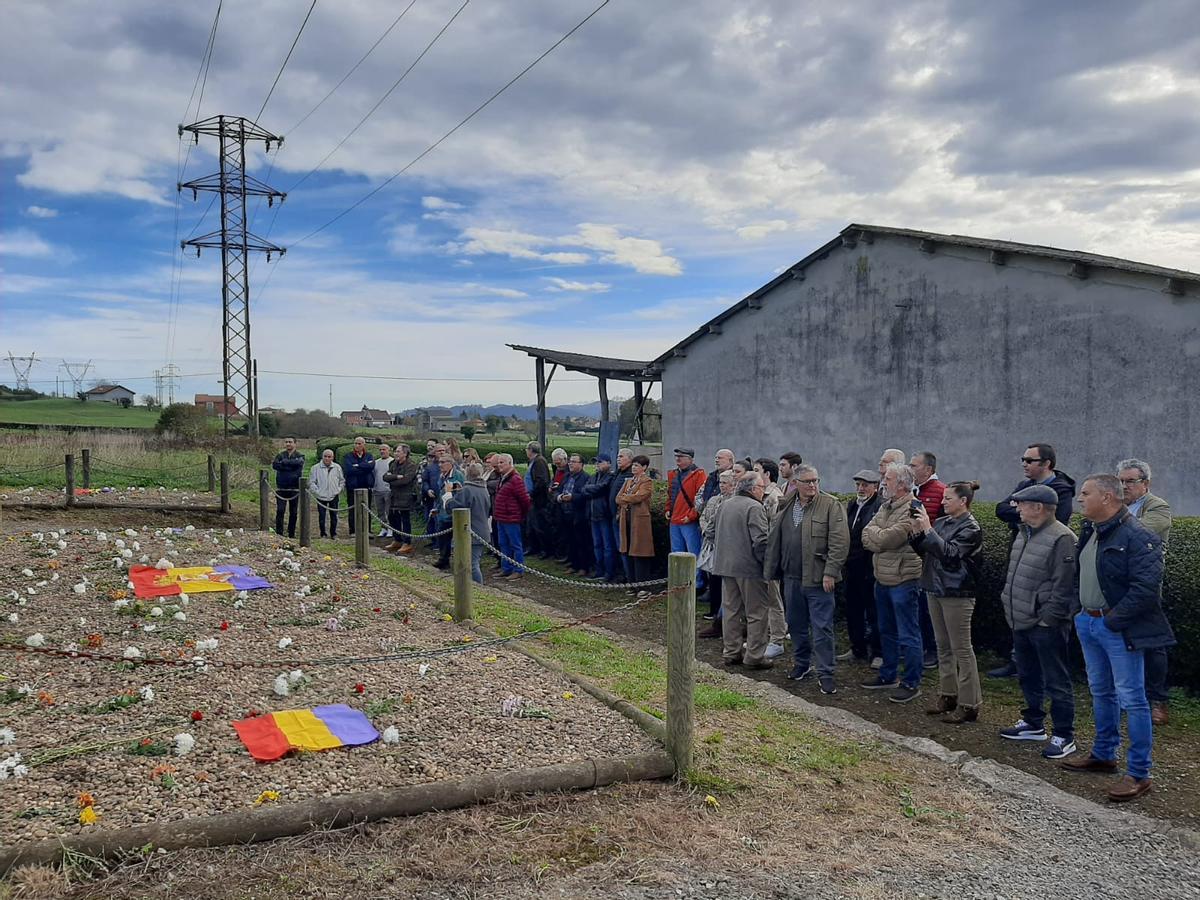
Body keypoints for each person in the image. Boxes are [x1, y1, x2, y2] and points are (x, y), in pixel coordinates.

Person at [1062, 474, 1172, 802]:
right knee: (1101, 691)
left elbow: (1146, 589)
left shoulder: (1138, 535)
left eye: (1085, 493)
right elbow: (1081, 574)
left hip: (1116, 628)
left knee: (1133, 699)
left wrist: (1112, 620)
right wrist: (1080, 613)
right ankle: (1104, 753)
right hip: (1089, 622)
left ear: (1108, 498)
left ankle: (1139, 773)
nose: (1080, 499)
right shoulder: (1090, 530)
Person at [995, 483, 1079, 756]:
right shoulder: (1023, 533)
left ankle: (1064, 735)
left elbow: (1064, 585)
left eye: (1021, 503)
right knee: (1028, 673)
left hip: (1045, 624)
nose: (1015, 507)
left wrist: (1048, 619)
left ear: (1038, 507)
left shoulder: (1061, 537)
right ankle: (1033, 723)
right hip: (1020, 619)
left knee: (1056, 679)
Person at [989, 442, 1077, 678]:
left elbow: (1057, 519)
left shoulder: (1062, 489)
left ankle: (1040, 669)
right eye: (1023, 460)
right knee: (1019, 604)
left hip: (1045, 561)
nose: (1024, 465)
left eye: (1029, 461)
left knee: (1038, 609)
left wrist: (1017, 516)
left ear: (1046, 463)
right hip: (1022, 553)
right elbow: (1000, 509)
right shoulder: (1024, 485)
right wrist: (1020, 516)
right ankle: (1018, 662)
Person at [764, 464, 850, 693]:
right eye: (807, 481)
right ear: (796, 484)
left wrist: (831, 572)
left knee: (822, 628)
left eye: (815, 480)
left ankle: (826, 673)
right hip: (791, 578)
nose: (812, 485)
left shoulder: (831, 505)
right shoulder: (787, 504)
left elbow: (840, 542)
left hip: (818, 579)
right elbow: (776, 540)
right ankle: (802, 664)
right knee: (796, 625)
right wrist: (773, 570)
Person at [910, 481, 985, 724]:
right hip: (935, 588)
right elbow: (926, 550)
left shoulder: (971, 528)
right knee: (943, 646)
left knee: (961, 648)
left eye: (948, 499)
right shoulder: (942, 523)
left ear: (963, 501)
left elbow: (951, 555)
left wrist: (928, 530)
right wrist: (916, 532)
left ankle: (969, 703)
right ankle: (948, 694)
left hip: (957, 593)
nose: (943, 502)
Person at [860, 462, 925, 703]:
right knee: (886, 630)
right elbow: (867, 533)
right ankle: (888, 675)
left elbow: (889, 539)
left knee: (908, 634)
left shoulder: (914, 509)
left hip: (903, 580)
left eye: (887, 478)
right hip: (882, 579)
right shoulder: (886, 505)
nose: (883, 482)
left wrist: (877, 535)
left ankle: (911, 682)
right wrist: (878, 536)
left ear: (901, 484)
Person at [1117, 458, 1174, 725]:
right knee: (1120, 642)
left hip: (1144, 587)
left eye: (1131, 481)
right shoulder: (1115, 506)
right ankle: (1125, 696)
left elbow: (1141, 533)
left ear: (1146, 484)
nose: (1124, 486)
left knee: (1152, 644)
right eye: (1120, 481)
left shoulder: (1158, 507)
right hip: (1116, 585)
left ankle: (1158, 701)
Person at [712, 471, 772, 670]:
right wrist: (767, 565)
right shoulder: (754, 507)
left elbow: (712, 531)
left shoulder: (725, 504)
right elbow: (761, 541)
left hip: (725, 565)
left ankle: (731, 652)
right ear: (754, 489)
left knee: (731, 610)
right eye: (762, 487)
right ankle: (754, 655)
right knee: (757, 612)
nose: (763, 491)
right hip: (749, 567)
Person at [910, 451, 945, 670]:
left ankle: (933, 650)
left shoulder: (940, 491)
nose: (910, 469)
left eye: (914, 466)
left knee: (928, 608)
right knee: (918, 608)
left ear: (928, 470)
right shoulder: (915, 491)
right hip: (914, 555)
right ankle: (922, 646)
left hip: (930, 558)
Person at [845, 470, 884, 666]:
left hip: (870, 569)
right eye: (858, 484)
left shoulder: (879, 506)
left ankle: (877, 652)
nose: (861, 488)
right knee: (853, 610)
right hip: (851, 568)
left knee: (874, 613)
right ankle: (857, 648)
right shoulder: (852, 504)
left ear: (875, 487)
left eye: (865, 485)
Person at [754, 457, 788, 660]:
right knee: (762, 599)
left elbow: (774, 530)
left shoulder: (774, 497)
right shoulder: (759, 494)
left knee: (773, 599)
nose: (754, 473)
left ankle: (777, 639)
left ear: (767, 474)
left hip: (770, 555)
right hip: (760, 555)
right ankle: (766, 636)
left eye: (757, 470)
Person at [698, 470, 736, 631]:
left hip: (725, 545)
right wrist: (706, 529)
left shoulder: (733, 502)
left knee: (723, 581)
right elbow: (704, 516)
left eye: (725, 483)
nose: (721, 486)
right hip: (710, 542)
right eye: (720, 483)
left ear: (733, 485)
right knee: (712, 577)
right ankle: (713, 610)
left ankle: (721, 615)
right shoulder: (714, 499)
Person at [667, 448, 708, 593]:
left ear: (690, 459)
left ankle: (695, 584)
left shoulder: (698, 475)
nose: (678, 459)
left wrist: (691, 516)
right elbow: (670, 494)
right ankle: (678, 581)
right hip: (675, 519)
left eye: (681, 457)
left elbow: (700, 498)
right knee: (676, 552)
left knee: (693, 554)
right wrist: (668, 509)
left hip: (688, 521)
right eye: (676, 456)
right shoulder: (674, 474)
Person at [445, 461, 492, 584]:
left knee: (471, 563)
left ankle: (477, 588)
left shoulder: (467, 490)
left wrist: (448, 494)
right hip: (482, 530)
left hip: (470, 532)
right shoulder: (483, 489)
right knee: (474, 561)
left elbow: (452, 508)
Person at [615, 454, 656, 593]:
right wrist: (627, 498)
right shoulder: (628, 481)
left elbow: (640, 496)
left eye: (637, 465)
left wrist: (626, 498)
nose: (633, 467)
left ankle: (643, 586)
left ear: (644, 467)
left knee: (640, 553)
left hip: (639, 521)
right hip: (626, 520)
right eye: (633, 465)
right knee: (628, 552)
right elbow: (617, 498)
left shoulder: (647, 481)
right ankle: (632, 584)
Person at [493, 454, 531, 578]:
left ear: (510, 463)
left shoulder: (515, 479)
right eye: (499, 462)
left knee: (515, 544)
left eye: (502, 462)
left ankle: (518, 569)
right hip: (501, 517)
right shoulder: (503, 478)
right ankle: (506, 567)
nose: (499, 465)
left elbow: (525, 499)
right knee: (503, 544)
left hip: (511, 517)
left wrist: (519, 513)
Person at [581, 454, 616, 581]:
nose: (597, 465)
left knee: (607, 545)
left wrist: (591, 489)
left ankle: (608, 572)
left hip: (604, 515)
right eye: (597, 462)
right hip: (593, 515)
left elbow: (601, 488)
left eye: (600, 462)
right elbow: (583, 490)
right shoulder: (593, 477)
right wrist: (592, 489)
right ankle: (599, 570)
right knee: (597, 545)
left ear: (608, 463)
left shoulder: (611, 477)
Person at [558, 453, 593, 576]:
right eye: (570, 461)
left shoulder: (586, 478)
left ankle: (583, 567)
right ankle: (573, 564)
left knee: (581, 542)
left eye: (574, 461)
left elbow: (585, 495)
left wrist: (572, 497)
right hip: (565, 513)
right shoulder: (567, 476)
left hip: (579, 514)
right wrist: (559, 497)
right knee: (570, 541)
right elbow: (559, 490)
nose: (570, 464)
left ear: (581, 464)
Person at [382, 444, 419, 554]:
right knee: (393, 518)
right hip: (394, 496)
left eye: (398, 451)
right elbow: (385, 477)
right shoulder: (393, 463)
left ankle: (407, 543)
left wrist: (393, 479)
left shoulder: (411, 465)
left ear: (405, 453)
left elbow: (406, 480)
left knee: (405, 520)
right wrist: (397, 476)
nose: (396, 454)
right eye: (396, 451)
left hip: (406, 496)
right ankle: (397, 540)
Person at [432, 455, 465, 569]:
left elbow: (460, 495)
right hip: (443, 512)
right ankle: (444, 559)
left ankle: (460, 561)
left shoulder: (458, 476)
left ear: (450, 463)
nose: (440, 465)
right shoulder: (441, 476)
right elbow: (440, 494)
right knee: (442, 537)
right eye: (439, 462)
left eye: (443, 462)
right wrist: (437, 507)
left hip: (454, 512)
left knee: (456, 539)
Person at [271, 437, 305, 538]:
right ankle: (279, 533)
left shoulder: (300, 455)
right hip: (281, 488)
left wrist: (284, 463)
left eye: (290, 442)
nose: (288, 444)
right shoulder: (280, 455)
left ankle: (291, 534)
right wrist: (290, 465)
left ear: (295, 443)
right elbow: (275, 465)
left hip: (294, 488)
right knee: (280, 510)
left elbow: (299, 464)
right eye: (286, 442)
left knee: (293, 512)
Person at [609, 449, 634, 583]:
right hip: (614, 516)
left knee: (624, 548)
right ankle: (620, 573)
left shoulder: (630, 475)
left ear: (630, 459)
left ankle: (628, 576)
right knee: (617, 547)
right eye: (618, 456)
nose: (618, 459)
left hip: (622, 517)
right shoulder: (618, 473)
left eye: (621, 456)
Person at [341, 437, 375, 537]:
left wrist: (357, 465)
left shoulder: (369, 456)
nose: (357, 445)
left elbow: (371, 467)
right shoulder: (348, 456)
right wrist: (363, 466)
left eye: (359, 443)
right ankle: (353, 531)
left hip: (366, 486)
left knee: (367, 509)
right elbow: (349, 470)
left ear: (364, 445)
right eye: (355, 443)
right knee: (352, 509)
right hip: (353, 487)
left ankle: (367, 530)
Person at [309, 449, 345, 539]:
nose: (327, 458)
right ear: (322, 457)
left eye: (329, 457)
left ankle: (333, 533)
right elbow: (312, 482)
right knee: (322, 516)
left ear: (332, 457)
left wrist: (338, 490)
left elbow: (341, 480)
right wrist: (317, 492)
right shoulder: (315, 468)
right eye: (325, 456)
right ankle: (323, 533)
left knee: (334, 516)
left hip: (334, 495)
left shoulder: (337, 467)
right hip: (321, 496)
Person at [525, 442, 552, 557]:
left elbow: (541, 481)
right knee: (532, 525)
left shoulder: (539, 462)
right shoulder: (534, 462)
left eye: (527, 449)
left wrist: (532, 493)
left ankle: (545, 549)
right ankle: (533, 547)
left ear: (531, 450)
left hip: (538, 500)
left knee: (540, 525)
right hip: (533, 499)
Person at [371, 444, 393, 539]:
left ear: (389, 450)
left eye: (384, 449)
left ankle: (390, 528)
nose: (382, 451)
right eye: (380, 450)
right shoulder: (376, 462)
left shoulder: (392, 461)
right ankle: (383, 528)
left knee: (388, 511)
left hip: (388, 490)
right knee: (380, 511)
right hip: (377, 490)